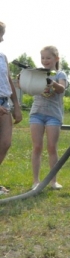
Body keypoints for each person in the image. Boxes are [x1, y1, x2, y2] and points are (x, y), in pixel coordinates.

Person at [30, 45, 68, 190]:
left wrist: (52, 83)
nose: (45, 61)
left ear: (56, 59)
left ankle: (53, 181)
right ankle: (36, 181)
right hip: (37, 113)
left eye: (48, 58)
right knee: (37, 147)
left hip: (53, 114)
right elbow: (28, 87)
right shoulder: (37, 73)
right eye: (43, 58)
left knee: (52, 147)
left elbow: (61, 89)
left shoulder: (60, 74)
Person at [0, 22, 23, 194]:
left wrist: (16, 105)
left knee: (5, 143)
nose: (2, 39)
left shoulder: (3, 57)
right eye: (0, 34)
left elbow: (8, 80)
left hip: (4, 102)